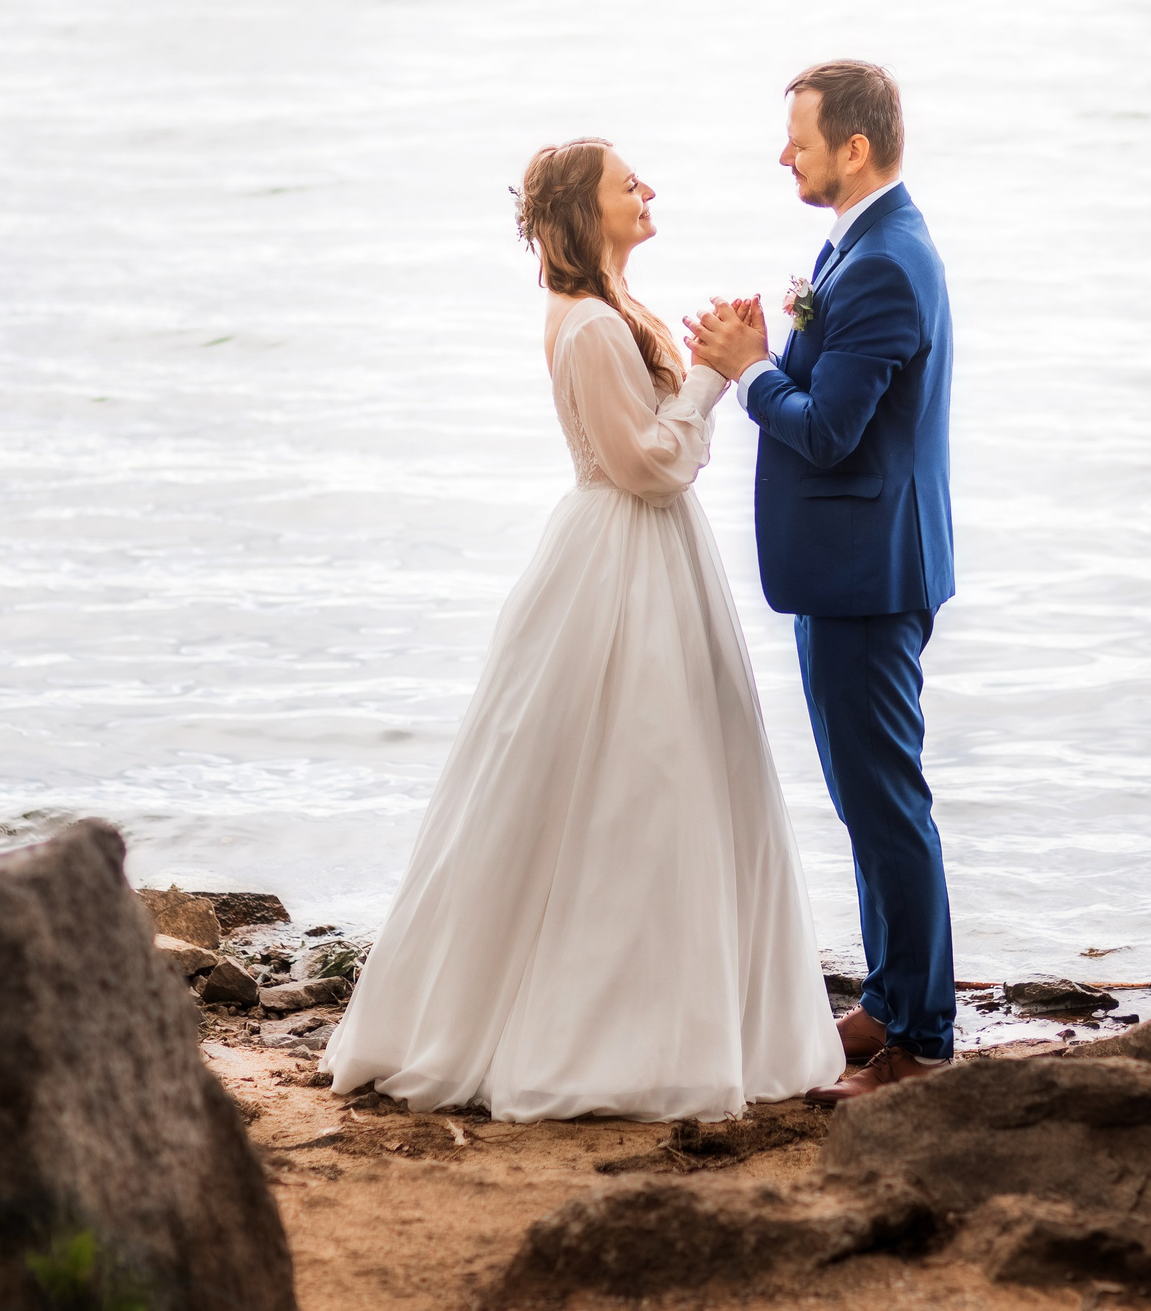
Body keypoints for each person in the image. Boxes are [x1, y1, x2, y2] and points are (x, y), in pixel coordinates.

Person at [322, 139, 841, 1121]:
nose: (647, 191)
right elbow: (647, 466)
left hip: (646, 554)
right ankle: (609, 1035)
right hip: (623, 556)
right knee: (639, 779)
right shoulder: (593, 325)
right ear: (582, 211)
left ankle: (670, 1019)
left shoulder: (612, 308)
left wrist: (705, 363)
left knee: (658, 775)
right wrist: (710, 379)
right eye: (626, 184)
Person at [686, 60, 956, 1103]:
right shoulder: (858, 245)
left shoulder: (885, 262)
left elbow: (832, 432)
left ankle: (921, 1040)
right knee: (863, 798)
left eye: (798, 141)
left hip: (869, 576)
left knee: (886, 803)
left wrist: (750, 369)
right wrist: (766, 351)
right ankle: (888, 999)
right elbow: (831, 389)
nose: (783, 156)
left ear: (854, 147)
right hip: (849, 569)